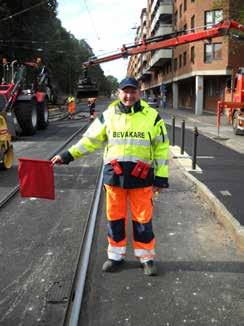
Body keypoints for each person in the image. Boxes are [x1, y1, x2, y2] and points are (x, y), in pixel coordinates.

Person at [51, 77, 169, 276]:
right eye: (125, 91)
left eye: (132, 91)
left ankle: (146, 258)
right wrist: (68, 155)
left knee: (143, 219)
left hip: (142, 178)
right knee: (115, 217)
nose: (129, 96)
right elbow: (90, 140)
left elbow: (161, 149)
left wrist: (160, 178)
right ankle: (115, 255)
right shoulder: (108, 116)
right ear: (119, 92)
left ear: (139, 92)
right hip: (115, 177)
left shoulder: (153, 117)